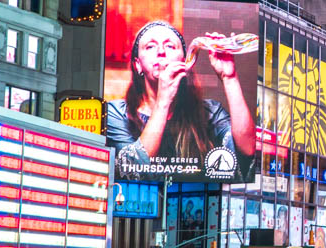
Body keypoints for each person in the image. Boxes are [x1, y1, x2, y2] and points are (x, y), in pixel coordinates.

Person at [105, 20, 255, 179]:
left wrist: (229, 77)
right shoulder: (116, 113)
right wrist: (163, 101)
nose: (161, 51)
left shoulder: (210, 113)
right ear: (137, 65)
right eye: (150, 46)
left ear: (187, 61)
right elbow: (133, 171)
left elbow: (247, 149)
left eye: (170, 46)